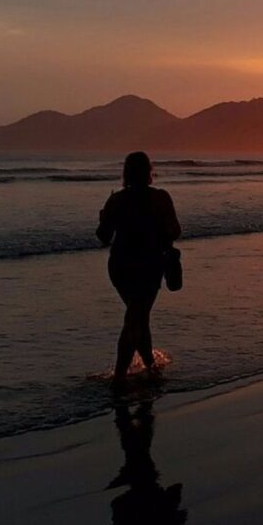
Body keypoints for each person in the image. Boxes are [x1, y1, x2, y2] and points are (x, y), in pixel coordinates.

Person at [96, 152, 181, 386]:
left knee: (138, 316)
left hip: (120, 266)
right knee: (136, 317)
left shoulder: (117, 200)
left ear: (126, 173)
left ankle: (149, 365)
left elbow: (103, 236)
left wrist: (103, 219)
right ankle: (120, 377)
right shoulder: (161, 198)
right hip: (148, 265)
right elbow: (175, 231)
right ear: (149, 171)